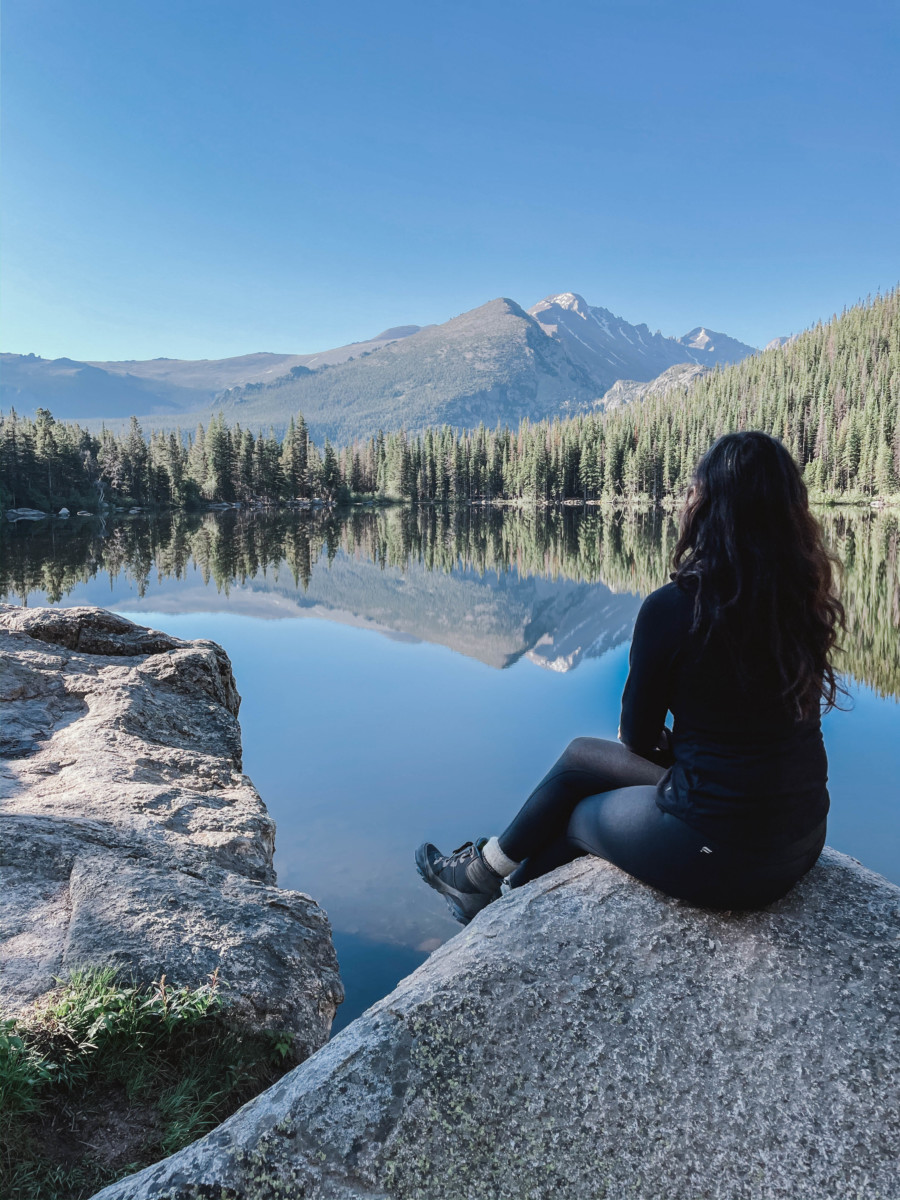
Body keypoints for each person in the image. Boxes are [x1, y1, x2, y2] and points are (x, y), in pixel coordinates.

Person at [415, 431, 846, 923]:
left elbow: (636, 736)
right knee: (580, 757)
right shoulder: (802, 603)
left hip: (726, 854)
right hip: (804, 837)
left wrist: (677, 747)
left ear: (708, 509)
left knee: (576, 814)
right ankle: (484, 877)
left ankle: (501, 910)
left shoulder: (676, 606)